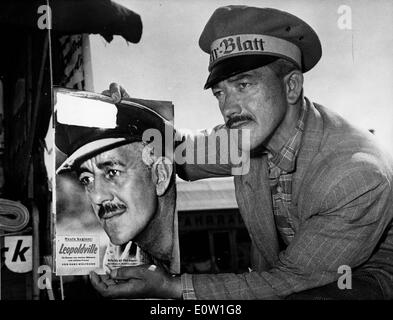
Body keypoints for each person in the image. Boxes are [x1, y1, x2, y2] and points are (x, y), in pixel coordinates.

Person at [98, 5, 393, 300]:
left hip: (362, 283)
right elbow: (178, 151)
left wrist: (170, 286)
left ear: (291, 86)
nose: (229, 108)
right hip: (288, 278)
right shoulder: (245, 139)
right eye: (220, 93)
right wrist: (128, 115)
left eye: (243, 85)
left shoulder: (354, 173)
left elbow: (292, 280)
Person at [55, 89, 180, 288]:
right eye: (86, 179)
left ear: (161, 175)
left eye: (112, 172)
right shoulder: (116, 261)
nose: (97, 197)